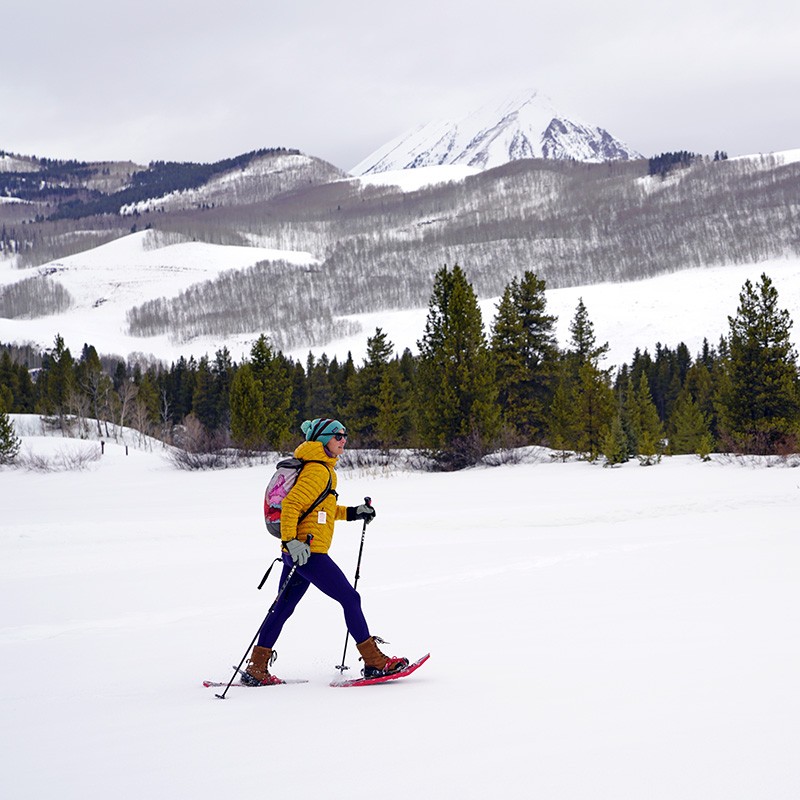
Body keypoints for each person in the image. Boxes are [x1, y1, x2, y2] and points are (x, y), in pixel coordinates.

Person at [242, 417, 409, 685]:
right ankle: (374, 662)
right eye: (337, 435)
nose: (344, 440)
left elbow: (322, 510)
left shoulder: (322, 469)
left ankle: (256, 668)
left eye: (345, 435)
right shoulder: (318, 470)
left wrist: (354, 513)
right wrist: (291, 542)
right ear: (322, 439)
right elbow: (293, 506)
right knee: (350, 598)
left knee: (283, 607)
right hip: (308, 552)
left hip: (299, 552)